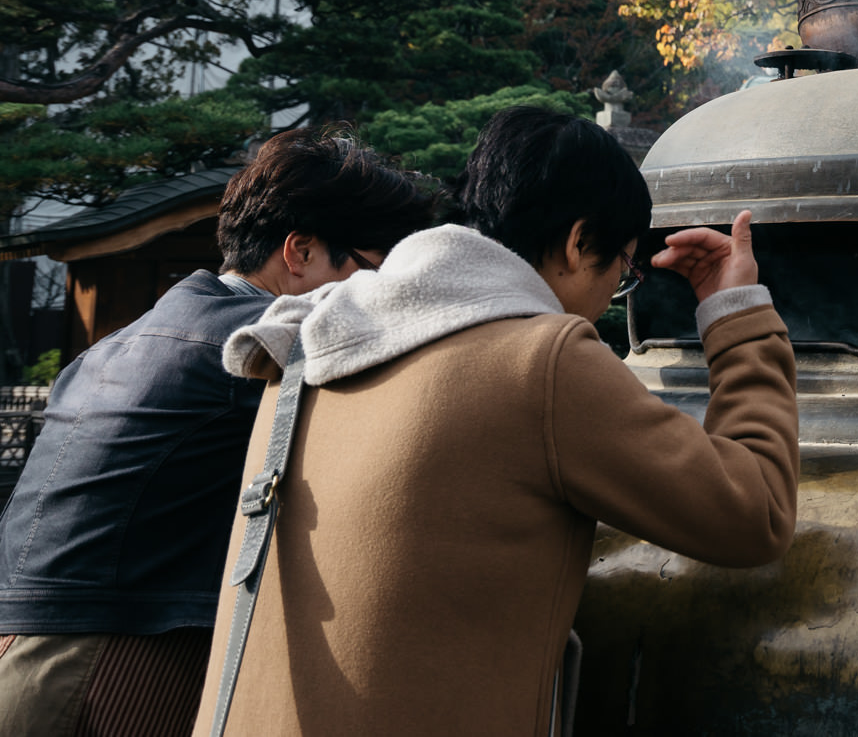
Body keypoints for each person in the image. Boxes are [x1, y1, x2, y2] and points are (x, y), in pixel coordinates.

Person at [193, 105, 800, 736]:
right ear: (577, 240)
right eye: (622, 270)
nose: (611, 296)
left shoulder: (313, 337)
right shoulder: (542, 359)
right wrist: (737, 311)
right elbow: (753, 513)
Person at [0, 130, 434, 737]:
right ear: (301, 251)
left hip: (22, 644)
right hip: (116, 660)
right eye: (370, 273)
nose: (376, 298)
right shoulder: (259, 348)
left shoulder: (122, 343)